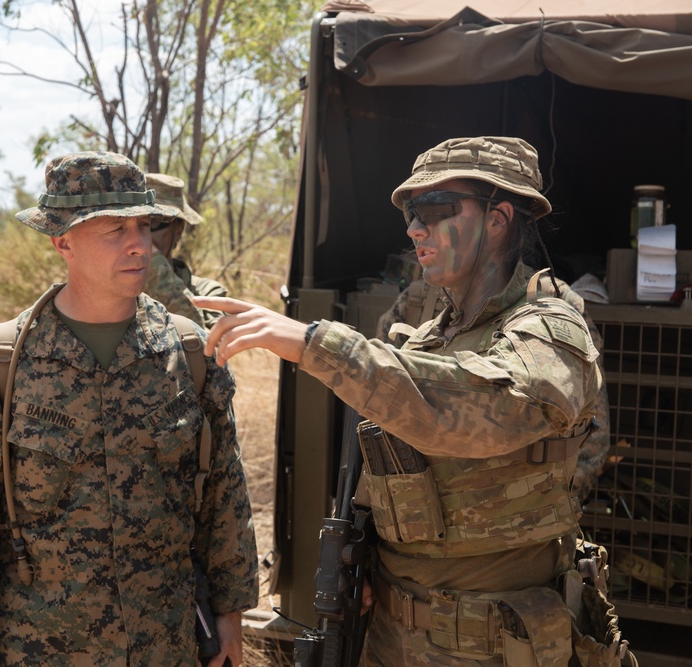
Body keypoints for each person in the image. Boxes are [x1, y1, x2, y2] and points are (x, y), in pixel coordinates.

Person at [195, 137, 604, 665]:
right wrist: (368, 557)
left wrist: (315, 343)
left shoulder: (549, 326)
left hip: (497, 639)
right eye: (412, 214)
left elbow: (489, 408)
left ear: (498, 218)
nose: (415, 229)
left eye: (434, 211)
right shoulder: (430, 335)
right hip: (393, 629)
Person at [0, 151, 258, 666]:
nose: (138, 244)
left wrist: (231, 619)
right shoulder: (2, 365)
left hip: (166, 646)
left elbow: (225, 500)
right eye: (113, 229)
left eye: (144, 226)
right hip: (42, 650)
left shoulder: (189, 355)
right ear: (63, 241)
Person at [375, 275, 611, 504]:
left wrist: (559, 506)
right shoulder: (417, 300)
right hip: (423, 510)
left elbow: (591, 432)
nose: (418, 234)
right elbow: (381, 417)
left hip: (519, 514)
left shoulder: (550, 300)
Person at [143, 172, 229, 328]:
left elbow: (209, 347)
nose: (140, 236)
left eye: (152, 222)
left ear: (178, 230)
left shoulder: (206, 292)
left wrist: (155, 269)